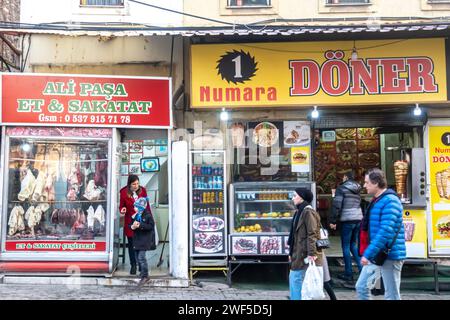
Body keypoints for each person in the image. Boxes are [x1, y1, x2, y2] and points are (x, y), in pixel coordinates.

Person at [355, 168, 406, 300]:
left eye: (367, 182)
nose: (364, 185)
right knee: (361, 286)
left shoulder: (390, 201)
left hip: (389, 255)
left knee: (392, 295)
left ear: (376, 183)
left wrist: (368, 253)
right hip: (377, 254)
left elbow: (385, 231)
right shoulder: (377, 201)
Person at [288, 188, 323, 300]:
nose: (293, 198)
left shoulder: (308, 212)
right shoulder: (300, 211)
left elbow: (312, 234)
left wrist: (311, 253)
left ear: (301, 197)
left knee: (295, 278)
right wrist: (291, 252)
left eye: (294, 195)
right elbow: (294, 235)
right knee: (295, 278)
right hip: (299, 252)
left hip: (305, 252)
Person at [329, 170, 363, 281]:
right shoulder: (358, 188)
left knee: (345, 246)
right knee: (353, 245)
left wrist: (333, 221)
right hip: (358, 218)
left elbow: (337, 205)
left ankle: (348, 273)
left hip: (347, 219)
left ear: (345, 177)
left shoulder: (341, 188)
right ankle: (362, 270)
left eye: (343, 177)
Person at [119, 175, 151, 275]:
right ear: (129, 184)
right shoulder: (123, 192)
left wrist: (150, 219)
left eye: (137, 183)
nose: (136, 186)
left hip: (142, 220)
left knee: (141, 244)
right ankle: (133, 265)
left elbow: (147, 206)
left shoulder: (143, 190)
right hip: (130, 221)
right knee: (132, 245)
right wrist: (122, 210)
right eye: (134, 184)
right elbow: (121, 206)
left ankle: (141, 265)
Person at [130, 197, 155, 286]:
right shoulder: (135, 216)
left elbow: (151, 226)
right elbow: (131, 224)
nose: (134, 208)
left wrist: (140, 225)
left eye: (136, 207)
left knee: (141, 258)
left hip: (144, 241)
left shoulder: (148, 216)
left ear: (141, 207)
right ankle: (142, 273)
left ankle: (145, 276)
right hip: (137, 240)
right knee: (137, 258)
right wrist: (132, 227)